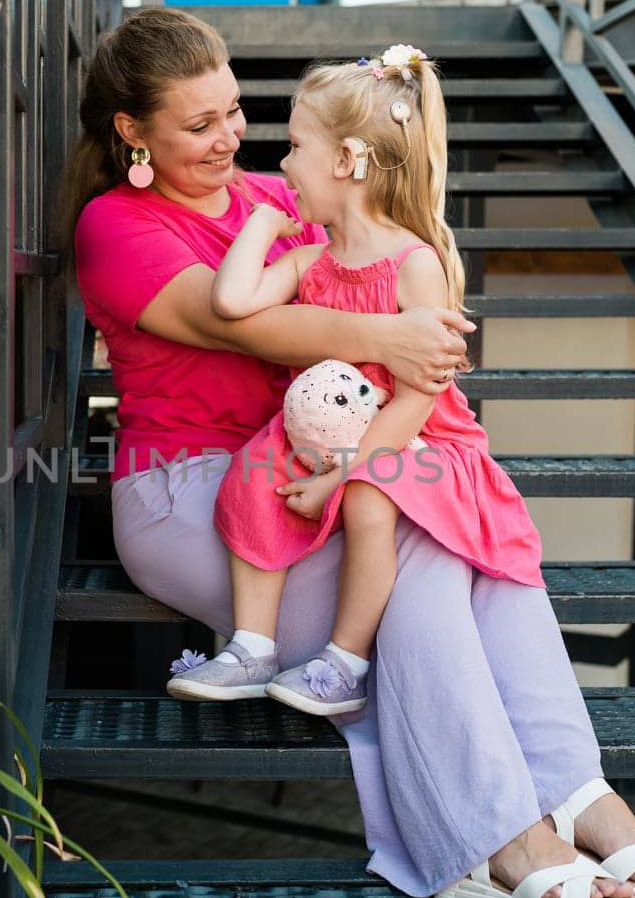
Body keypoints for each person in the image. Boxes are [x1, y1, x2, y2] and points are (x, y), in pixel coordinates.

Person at [66, 7, 635, 898]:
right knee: (414, 562)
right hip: (194, 491)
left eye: (237, 113)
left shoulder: (275, 194)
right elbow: (227, 319)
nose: (231, 138)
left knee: (463, 531)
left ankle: (582, 801)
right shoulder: (114, 225)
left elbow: (374, 250)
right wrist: (394, 339)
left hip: (318, 459)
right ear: (131, 130)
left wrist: (426, 321)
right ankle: (493, 843)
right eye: (198, 124)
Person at [195, 45, 547, 724]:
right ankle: (251, 645)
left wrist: (346, 472)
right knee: (251, 474)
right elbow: (232, 303)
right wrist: (261, 221)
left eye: (295, 147)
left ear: (347, 161)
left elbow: (418, 395)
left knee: (367, 501)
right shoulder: (307, 258)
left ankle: (344, 663)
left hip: (411, 436)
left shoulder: (416, 264)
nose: (285, 166)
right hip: (325, 428)